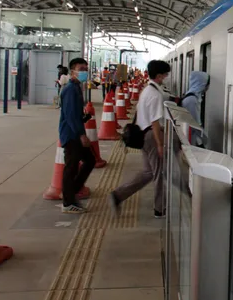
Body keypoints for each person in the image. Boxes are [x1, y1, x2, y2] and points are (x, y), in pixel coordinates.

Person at [109, 60, 170, 219]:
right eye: (165, 74)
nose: (166, 77)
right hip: (151, 136)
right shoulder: (155, 95)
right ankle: (160, 208)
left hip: (143, 135)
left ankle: (118, 195)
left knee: (148, 173)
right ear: (158, 76)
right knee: (159, 173)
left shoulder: (146, 90)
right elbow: (155, 122)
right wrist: (160, 144)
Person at [59, 58, 96, 214]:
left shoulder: (76, 87)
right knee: (71, 167)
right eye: (81, 68)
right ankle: (68, 202)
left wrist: (84, 118)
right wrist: (82, 135)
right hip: (71, 135)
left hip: (75, 132)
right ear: (73, 70)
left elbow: (75, 114)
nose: (84, 72)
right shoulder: (70, 89)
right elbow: (70, 115)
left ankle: (71, 192)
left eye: (85, 69)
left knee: (89, 161)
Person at [181, 71, 210, 148]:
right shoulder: (192, 100)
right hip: (190, 139)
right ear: (201, 83)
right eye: (207, 84)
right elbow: (195, 124)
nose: (207, 87)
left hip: (191, 137)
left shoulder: (192, 96)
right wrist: (204, 139)